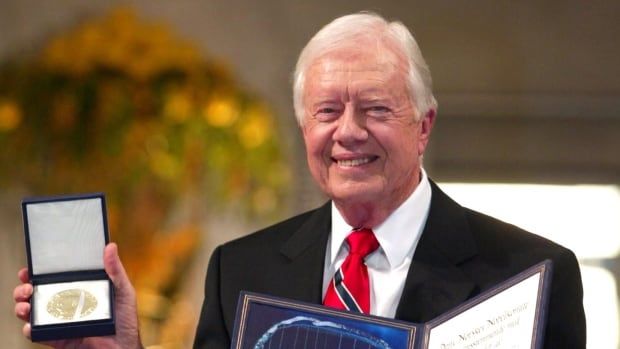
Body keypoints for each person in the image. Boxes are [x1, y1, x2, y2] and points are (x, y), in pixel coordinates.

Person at [14, 12, 586, 349]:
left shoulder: (527, 275)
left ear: (424, 126)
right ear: (302, 126)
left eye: (377, 109)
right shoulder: (238, 270)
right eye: (327, 111)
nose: (349, 132)